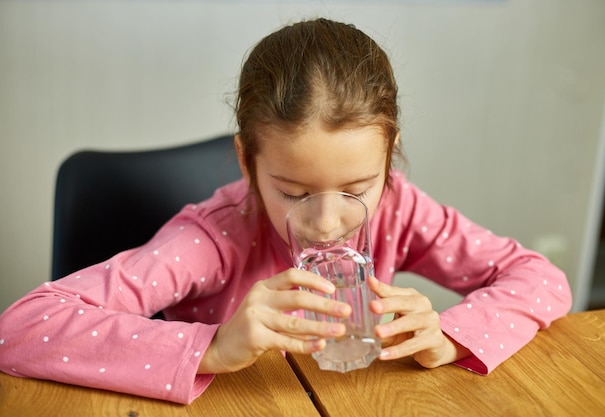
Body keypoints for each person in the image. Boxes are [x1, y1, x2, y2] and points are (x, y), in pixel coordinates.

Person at [0, 18, 572, 404]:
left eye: (357, 188)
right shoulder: (212, 240)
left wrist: (449, 335)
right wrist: (213, 347)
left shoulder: (402, 209)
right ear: (247, 161)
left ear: (389, 153)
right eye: (295, 194)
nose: (326, 222)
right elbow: (22, 329)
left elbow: (541, 278)